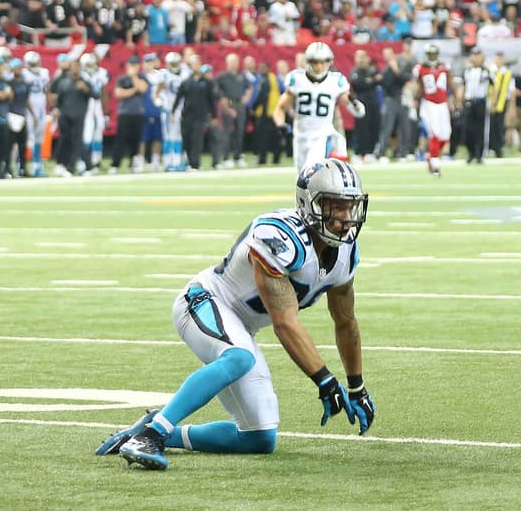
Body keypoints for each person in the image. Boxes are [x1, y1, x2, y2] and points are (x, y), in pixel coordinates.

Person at [95, 158, 375, 471]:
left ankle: (163, 429)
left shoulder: (346, 252)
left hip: (241, 326)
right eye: (334, 206)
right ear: (308, 204)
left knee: (259, 438)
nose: (344, 218)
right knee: (240, 356)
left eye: (349, 207)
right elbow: (284, 323)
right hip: (205, 301)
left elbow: (345, 322)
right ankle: (150, 435)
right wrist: (325, 381)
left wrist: (356, 387)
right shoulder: (280, 238)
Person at [273, 42, 365, 174]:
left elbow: (353, 108)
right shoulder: (297, 79)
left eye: (323, 62)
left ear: (329, 62)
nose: (319, 66)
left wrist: (357, 106)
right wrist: (280, 123)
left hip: (322, 135)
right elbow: (280, 107)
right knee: (302, 179)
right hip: (300, 136)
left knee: (312, 172)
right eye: (315, 62)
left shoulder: (335, 81)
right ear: (308, 62)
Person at [412, 43, 451, 177]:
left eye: (434, 54)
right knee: (435, 134)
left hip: (443, 104)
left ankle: (430, 155)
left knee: (446, 135)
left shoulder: (445, 66)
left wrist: (453, 100)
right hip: (429, 104)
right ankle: (435, 165)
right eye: (430, 54)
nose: (432, 56)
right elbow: (418, 87)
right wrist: (414, 102)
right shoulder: (420, 68)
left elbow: (449, 84)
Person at [176, 65, 218, 171]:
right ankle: (190, 162)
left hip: (200, 116)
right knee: (187, 139)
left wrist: (214, 115)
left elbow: (211, 100)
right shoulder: (186, 82)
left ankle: (195, 164)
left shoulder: (207, 83)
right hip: (187, 115)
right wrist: (173, 111)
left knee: (197, 140)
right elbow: (179, 97)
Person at [112, 56, 147, 173]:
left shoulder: (142, 77)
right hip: (125, 113)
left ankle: (133, 163)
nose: (133, 67)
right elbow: (118, 94)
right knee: (120, 140)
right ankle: (115, 164)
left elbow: (142, 89)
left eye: (135, 65)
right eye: (131, 65)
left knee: (135, 140)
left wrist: (134, 77)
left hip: (138, 113)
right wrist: (132, 91)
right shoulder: (122, 79)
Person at [376, 47, 411, 161]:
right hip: (390, 100)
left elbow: (406, 78)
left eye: (389, 54)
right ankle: (381, 153)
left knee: (404, 127)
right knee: (387, 127)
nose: (388, 57)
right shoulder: (385, 70)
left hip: (401, 98)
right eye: (385, 54)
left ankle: (403, 152)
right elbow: (385, 84)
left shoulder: (400, 66)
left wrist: (396, 70)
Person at [214, 54, 249, 169]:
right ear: (227, 63)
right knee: (227, 132)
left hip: (239, 104)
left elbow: (249, 87)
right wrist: (225, 104)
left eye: (236, 61)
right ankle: (226, 157)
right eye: (233, 61)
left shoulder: (241, 76)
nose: (235, 64)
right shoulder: (222, 76)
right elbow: (216, 90)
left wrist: (246, 98)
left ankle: (238, 157)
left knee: (240, 132)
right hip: (228, 104)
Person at [348, 50, 381, 162]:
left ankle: (370, 152)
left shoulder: (372, 70)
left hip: (373, 103)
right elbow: (359, 84)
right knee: (360, 128)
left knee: (373, 127)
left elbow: (379, 79)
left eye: (363, 56)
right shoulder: (354, 71)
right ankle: (359, 152)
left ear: (367, 58)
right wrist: (372, 81)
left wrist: (370, 81)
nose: (361, 59)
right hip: (360, 104)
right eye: (359, 57)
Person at [460, 48, 492, 163]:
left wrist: (494, 101)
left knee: (481, 129)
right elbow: (463, 86)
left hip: (481, 101)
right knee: (468, 129)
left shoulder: (486, 71)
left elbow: (495, 86)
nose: (476, 58)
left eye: (478, 55)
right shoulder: (467, 71)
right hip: (469, 102)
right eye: (474, 55)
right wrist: (460, 100)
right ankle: (471, 153)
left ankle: (480, 154)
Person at [80, 53, 109, 171]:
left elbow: (104, 92)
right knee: (86, 135)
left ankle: (96, 161)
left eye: (92, 64)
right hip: (85, 106)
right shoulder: (80, 75)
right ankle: (83, 162)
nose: (90, 66)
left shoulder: (101, 72)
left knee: (98, 134)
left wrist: (106, 111)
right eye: (88, 64)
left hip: (97, 106)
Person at [488, 52, 514, 159]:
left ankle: (498, 149)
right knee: (488, 126)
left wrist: (512, 105)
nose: (499, 60)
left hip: (502, 103)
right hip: (488, 103)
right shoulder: (489, 70)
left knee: (499, 127)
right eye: (498, 58)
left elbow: (512, 90)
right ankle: (488, 147)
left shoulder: (507, 73)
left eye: (501, 58)